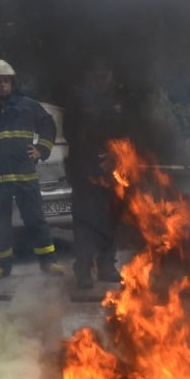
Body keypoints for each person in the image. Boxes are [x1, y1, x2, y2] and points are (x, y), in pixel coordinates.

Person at [0, 59, 64, 279]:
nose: (4, 86)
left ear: (12, 83)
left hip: (25, 176)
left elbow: (48, 126)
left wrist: (41, 150)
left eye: (7, 81)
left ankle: (48, 262)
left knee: (36, 219)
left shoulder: (27, 106)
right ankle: (2, 265)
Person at [65, 61, 122, 290]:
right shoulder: (78, 102)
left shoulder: (115, 102)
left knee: (110, 219)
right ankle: (84, 268)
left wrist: (114, 157)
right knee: (85, 221)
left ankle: (107, 265)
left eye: (105, 76)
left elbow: (124, 133)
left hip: (110, 172)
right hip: (84, 171)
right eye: (97, 77)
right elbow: (73, 136)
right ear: (90, 77)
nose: (101, 81)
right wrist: (90, 162)